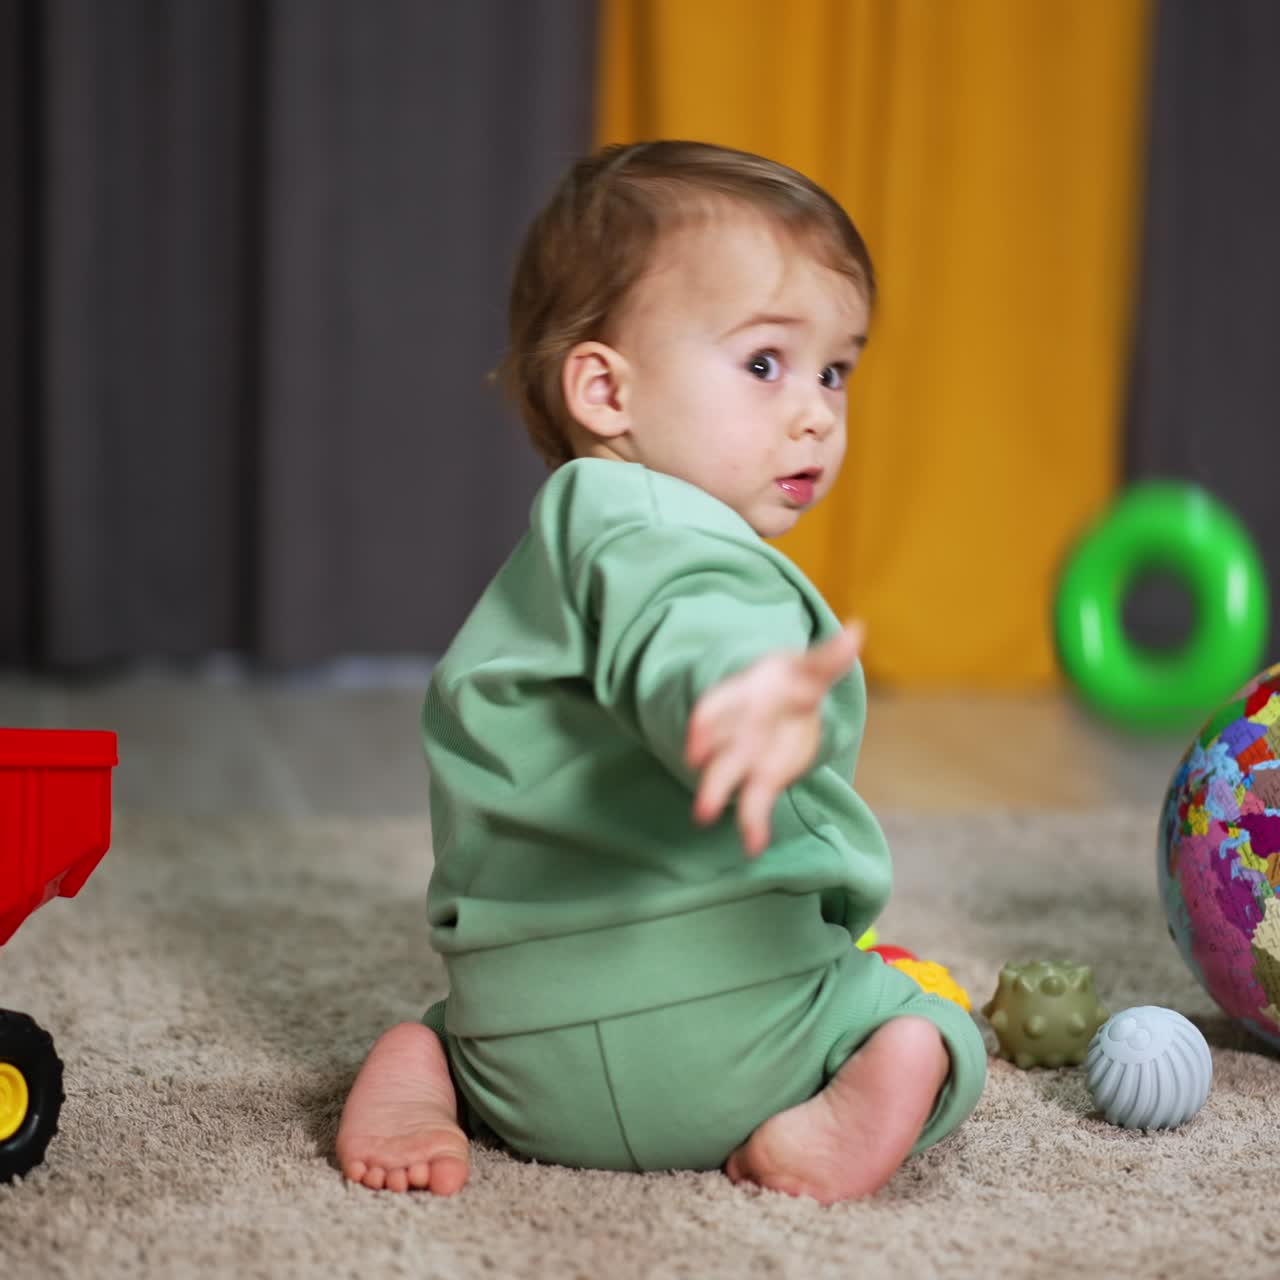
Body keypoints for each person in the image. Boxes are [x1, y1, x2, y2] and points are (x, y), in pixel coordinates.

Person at [336, 140, 987, 1203]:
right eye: (765, 363)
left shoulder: (567, 549)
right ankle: (830, 1109)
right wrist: (735, 700)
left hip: (523, 1060)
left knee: (434, 1024)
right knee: (927, 1018)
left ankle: (426, 1070)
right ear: (604, 388)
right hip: (740, 1041)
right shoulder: (670, 543)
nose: (816, 411)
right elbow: (684, 637)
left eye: (835, 370)